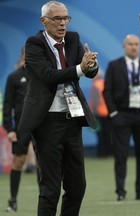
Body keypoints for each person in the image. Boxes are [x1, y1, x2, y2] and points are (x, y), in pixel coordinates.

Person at [17, 1, 98, 215]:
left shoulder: (73, 39)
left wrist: (91, 65)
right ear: (44, 21)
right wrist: (80, 68)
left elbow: (88, 71)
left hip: (72, 119)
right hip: (46, 123)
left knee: (77, 186)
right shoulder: (34, 44)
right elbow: (48, 76)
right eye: (57, 19)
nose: (63, 24)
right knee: (50, 189)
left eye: (65, 18)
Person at [103, 34, 140, 201]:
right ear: (124, 46)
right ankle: (121, 192)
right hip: (122, 115)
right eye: (130, 44)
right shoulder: (114, 66)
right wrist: (113, 113)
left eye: (136, 44)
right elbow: (107, 91)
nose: (133, 47)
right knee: (121, 155)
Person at [2, 46, 37, 212]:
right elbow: (7, 105)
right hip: (21, 128)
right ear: (22, 56)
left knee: (46, 164)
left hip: (42, 127)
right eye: (27, 54)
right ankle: (13, 200)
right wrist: (9, 128)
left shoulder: (42, 76)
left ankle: (46, 201)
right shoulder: (14, 77)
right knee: (18, 162)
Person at [89, 71, 112, 157]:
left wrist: (92, 114)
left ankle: (101, 153)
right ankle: (108, 152)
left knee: (100, 135)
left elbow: (95, 101)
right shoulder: (104, 84)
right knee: (108, 134)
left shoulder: (95, 85)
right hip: (107, 113)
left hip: (98, 113)